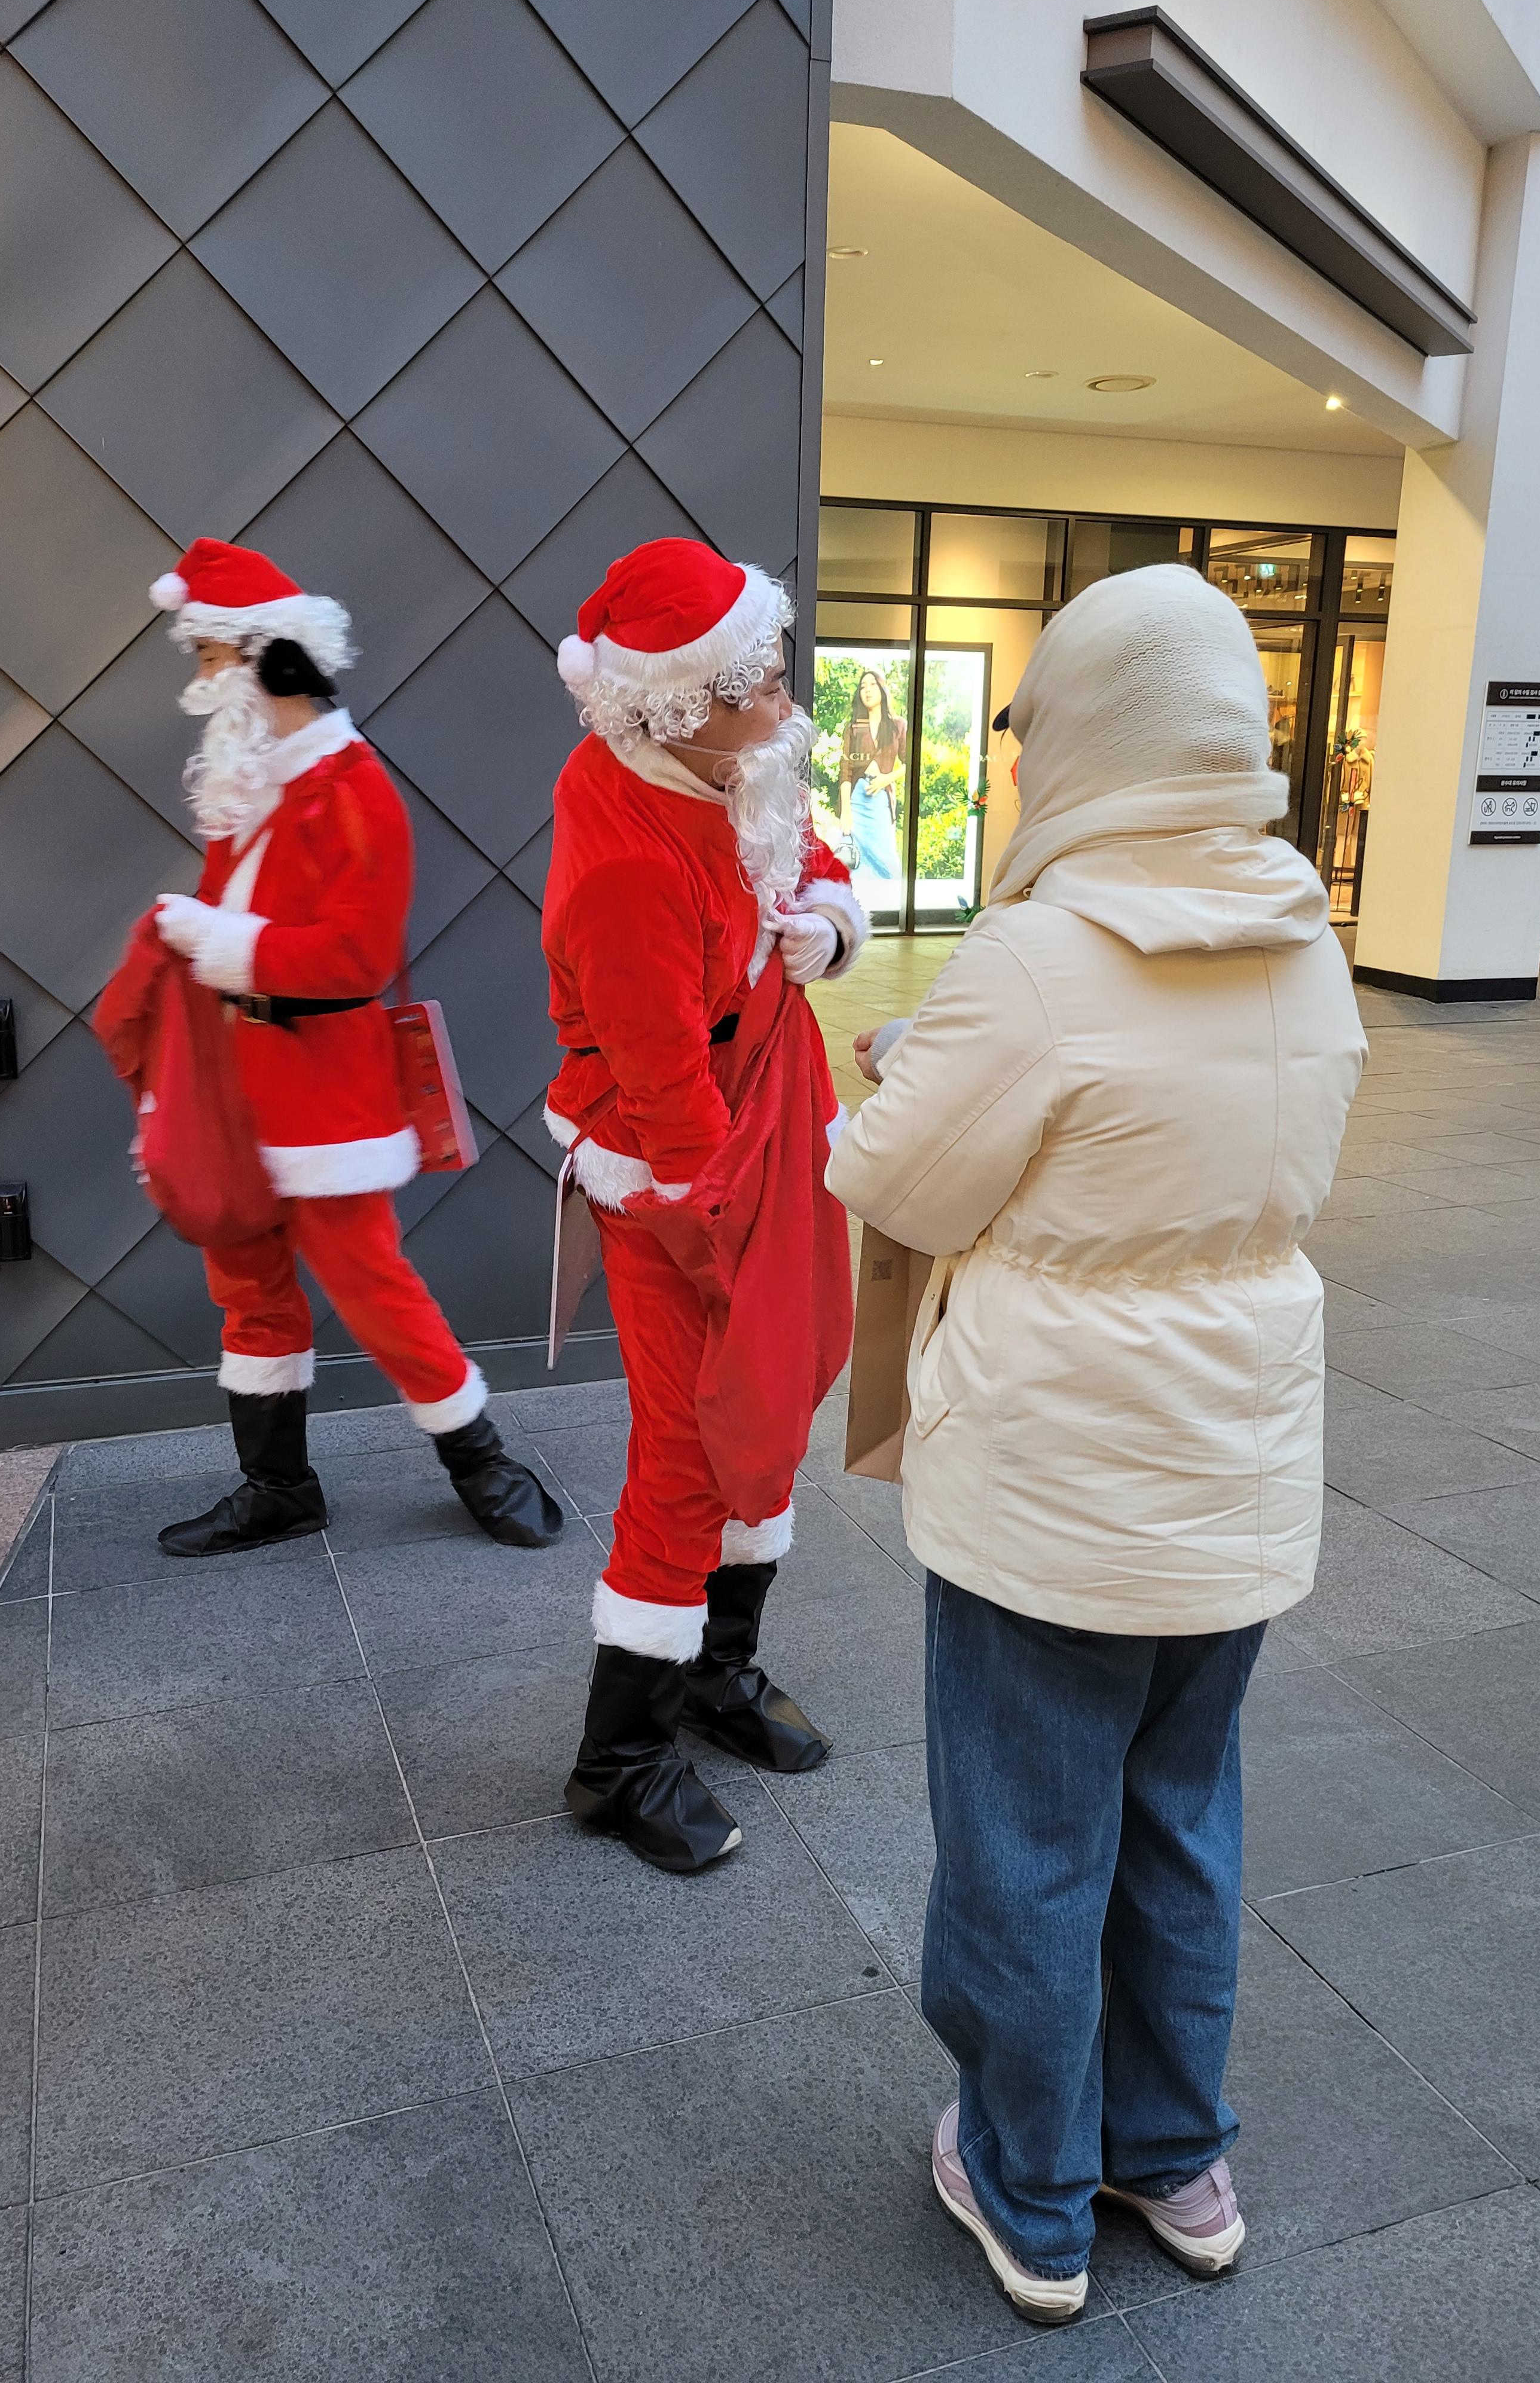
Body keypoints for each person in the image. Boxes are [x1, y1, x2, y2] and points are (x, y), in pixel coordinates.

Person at [829, 563, 1365, 2323]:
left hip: (1049, 1493)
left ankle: (1031, 2188)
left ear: (1091, 733)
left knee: (1026, 1839)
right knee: (1181, 1819)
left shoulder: (1037, 953)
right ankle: (1173, 2156)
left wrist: (906, 1068)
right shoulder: (1311, 937)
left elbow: (900, 1180)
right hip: (1232, 1480)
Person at [129, 537, 561, 1557]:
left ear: (266, 658)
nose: (201, 684)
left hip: (325, 1086)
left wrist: (216, 940)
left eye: (210, 659)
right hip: (236, 1082)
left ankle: (481, 1461)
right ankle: (276, 1486)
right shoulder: (248, 788)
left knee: (370, 1282)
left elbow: (356, 955)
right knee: (246, 1286)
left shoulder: (355, 788)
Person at [544, 537, 866, 1872]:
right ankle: (618, 1761)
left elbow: (808, 850)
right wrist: (716, 1227)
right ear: (679, 708)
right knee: (688, 1445)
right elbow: (663, 1081)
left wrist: (826, 924)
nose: (788, 702)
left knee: (773, 1397)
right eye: (762, 684)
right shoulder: (625, 859)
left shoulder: (733, 760)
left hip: (772, 1121)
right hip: (683, 1171)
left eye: (780, 669)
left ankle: (717, 1675)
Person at [839, 667, 905, 879]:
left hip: (881, 798)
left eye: (872, 685)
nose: (867, 690)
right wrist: (846, 812)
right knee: (855, 864)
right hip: (857, 799)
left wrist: (887, 779)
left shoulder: (898, 725)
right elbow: (846, 771)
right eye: (863, 687)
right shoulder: (854, 727)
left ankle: (892, 899)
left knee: (887, 861)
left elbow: (910, 763)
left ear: (882, 689)